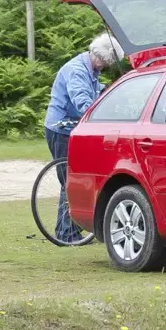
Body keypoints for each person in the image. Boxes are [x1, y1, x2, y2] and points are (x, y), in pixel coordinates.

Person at [43, 32, 123, 241]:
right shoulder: (77, 71)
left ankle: (70, 230)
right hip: (60, 129)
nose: (105, 67)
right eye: (106, 62)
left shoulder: (91, 69)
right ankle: (66, 233)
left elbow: (96, 94)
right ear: (100, 56)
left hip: (74, 129)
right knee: (69, 179)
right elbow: (83, 104)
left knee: (73, 177)